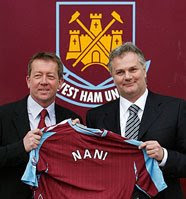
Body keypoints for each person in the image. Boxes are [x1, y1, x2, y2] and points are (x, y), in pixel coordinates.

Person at [86, 42, 186, 199]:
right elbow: (90, 168)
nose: (127, 77)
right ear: (112, 76)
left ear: (144, 71)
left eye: (133, 69)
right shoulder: (96, 116)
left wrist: (163, 156)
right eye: (120, 72)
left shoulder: (176, 109)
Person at [0, 52, 82, 199]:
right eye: (38, 76)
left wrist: (76, 140)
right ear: (28, 81)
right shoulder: (3, 115)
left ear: (60, 82)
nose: (44, 82)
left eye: (50, 76)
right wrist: (21, 147)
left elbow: (81, 168)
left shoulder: (72, 119)